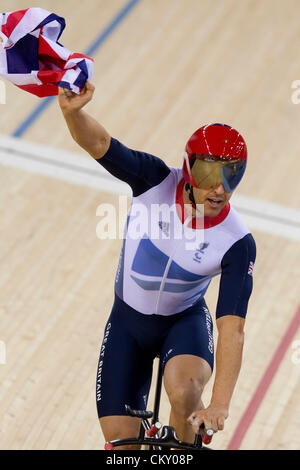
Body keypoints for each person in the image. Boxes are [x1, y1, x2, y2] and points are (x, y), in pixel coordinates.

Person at [58, 82, 256, 449]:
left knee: (184, 393)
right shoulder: (154, 179)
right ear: (188, 169)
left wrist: (219, 405)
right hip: (127, 323)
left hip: (184, 323)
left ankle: (186, 448)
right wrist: (74, 113)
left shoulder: (237, 243)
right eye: (211, 175)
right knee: (123, 448)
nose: (220, 189)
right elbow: (101, 145)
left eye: (233, 175)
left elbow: (233, 329)